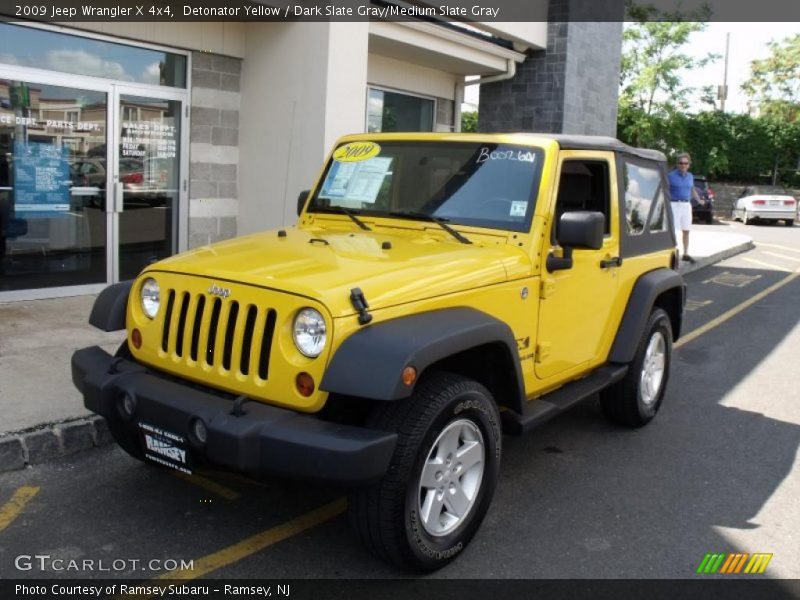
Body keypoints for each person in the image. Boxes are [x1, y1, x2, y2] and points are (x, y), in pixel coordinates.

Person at [667, 152, 701, 263]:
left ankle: (685, 254)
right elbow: (664, 189)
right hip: (674, 204)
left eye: (685, 163)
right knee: (673, 230)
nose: (683, 165)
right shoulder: (670, 176)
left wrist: (699, 199)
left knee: (686, 230)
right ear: (677, 164)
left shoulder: (690, 176)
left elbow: (692, 189)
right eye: (681, 163)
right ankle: (672, 253)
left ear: (689, 164)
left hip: (686, 205)